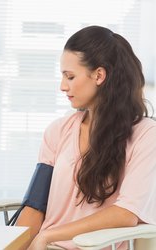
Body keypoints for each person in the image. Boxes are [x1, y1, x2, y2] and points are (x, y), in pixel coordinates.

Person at [16, 25, 156, 249]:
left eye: (70, 77)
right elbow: (35, 207)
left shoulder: (145, 134)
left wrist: (48, 236)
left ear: (99, 75)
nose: (63, 86)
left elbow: (126, 214)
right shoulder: (57, 131)